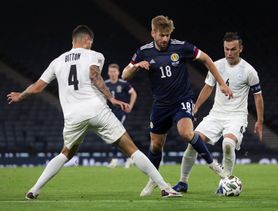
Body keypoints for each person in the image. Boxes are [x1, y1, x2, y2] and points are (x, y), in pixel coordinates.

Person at [6, 25, 181, 199]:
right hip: (96, 109)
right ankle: (164, 187)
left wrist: (20, 96)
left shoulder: (57, 61)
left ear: (73, 40)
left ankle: (34, 190)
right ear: (87, 40)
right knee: (131, 149)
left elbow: (37, 88)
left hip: (72, 116)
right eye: (91, 41)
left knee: (65, 153)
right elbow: (94, 75)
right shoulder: (94, 55)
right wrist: (111, 98)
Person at [122, 15, 233, 197]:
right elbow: (125, 75)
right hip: (160, 105)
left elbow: (206, 59)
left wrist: (221, 83)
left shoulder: (181, 47)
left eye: (167, 35)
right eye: (161, 35)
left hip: (182, 100)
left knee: (186, 133)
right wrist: (136, 67)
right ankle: (154, 180)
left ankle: (215, 166)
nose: (165, 39)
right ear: (153, 33)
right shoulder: (144, 52)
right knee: (156, 146)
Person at [172, 32, 264, 194]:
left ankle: (225, 182)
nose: (229, 53)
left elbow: (258, 97)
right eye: (226, 49)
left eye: (233, 49)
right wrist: (197, 107)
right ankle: (183, 182)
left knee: (227, 144)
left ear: (240, 49)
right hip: (216, 115)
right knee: (193, 142)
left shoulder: (249, 71)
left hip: (236, 117)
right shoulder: (217, 65)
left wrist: (260, 120)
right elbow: (208, 87)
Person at [105, 63, 137, 168]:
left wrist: (131, 106)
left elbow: (133, 93)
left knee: (116, 135)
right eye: (111, 71)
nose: (112, 73)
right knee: (118, 135)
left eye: (114, 71)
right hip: (110, 113)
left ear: (118, 72)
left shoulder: (123, 83)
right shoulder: (105, 84)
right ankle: (129, 158)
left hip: (121, 112)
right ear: (108, 72)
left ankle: (116, 159)